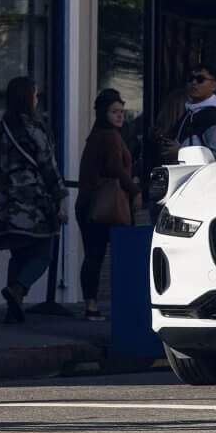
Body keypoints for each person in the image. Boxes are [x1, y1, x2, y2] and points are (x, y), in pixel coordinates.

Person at [0, 77, 65, 322]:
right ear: (27, 97)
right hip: (34, 203)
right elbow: (48, 165)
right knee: (43, 253)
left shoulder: (0, 129)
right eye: (35, 94)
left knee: (18, 254)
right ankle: (18, 289)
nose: (37, 99)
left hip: (6, 204)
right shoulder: (34, 128)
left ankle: (14, 309)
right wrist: (60, 197)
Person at [76, 89, 138, 321]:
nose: (120, 116)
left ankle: (90, 305)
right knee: (116, 256)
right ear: (104, 113)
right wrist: (135, 190)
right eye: (114, 112)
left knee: (93, 255)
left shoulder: (96, 135)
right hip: (104, 206)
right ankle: (122, 306)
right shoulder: (110, 136)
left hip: (88, 204)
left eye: (122, 112)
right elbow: (115, 168)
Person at [174, 66, 216, 160]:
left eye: (200, 79)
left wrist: (179, 152)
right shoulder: (189, 112)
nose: (194, 83)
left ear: (214, 86)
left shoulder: (214, 117)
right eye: (191, 79)